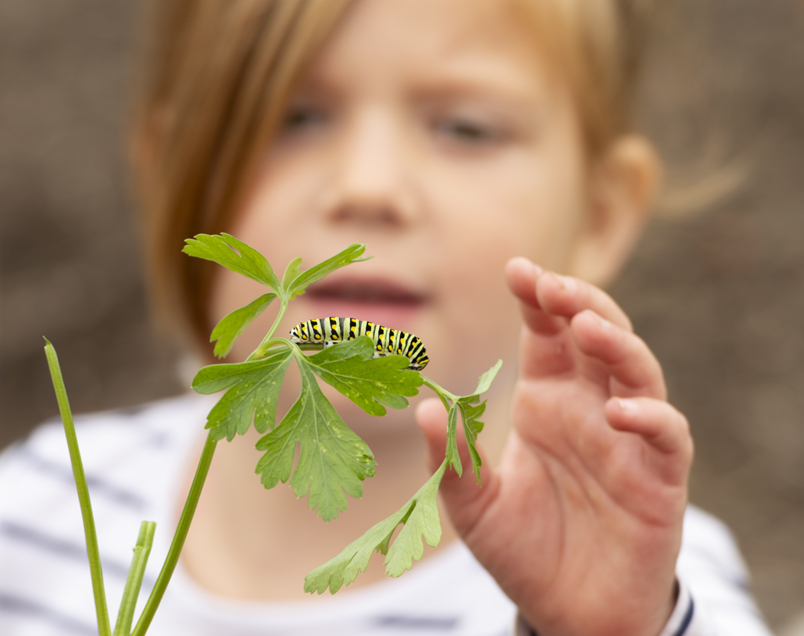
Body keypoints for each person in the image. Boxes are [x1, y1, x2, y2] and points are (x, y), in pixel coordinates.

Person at [0, 0, 774, 634]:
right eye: (292, 118)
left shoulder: (643, 577)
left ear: (601, 214)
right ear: (175, 176)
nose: (368, 185)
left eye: (465, 128)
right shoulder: (37, 507)